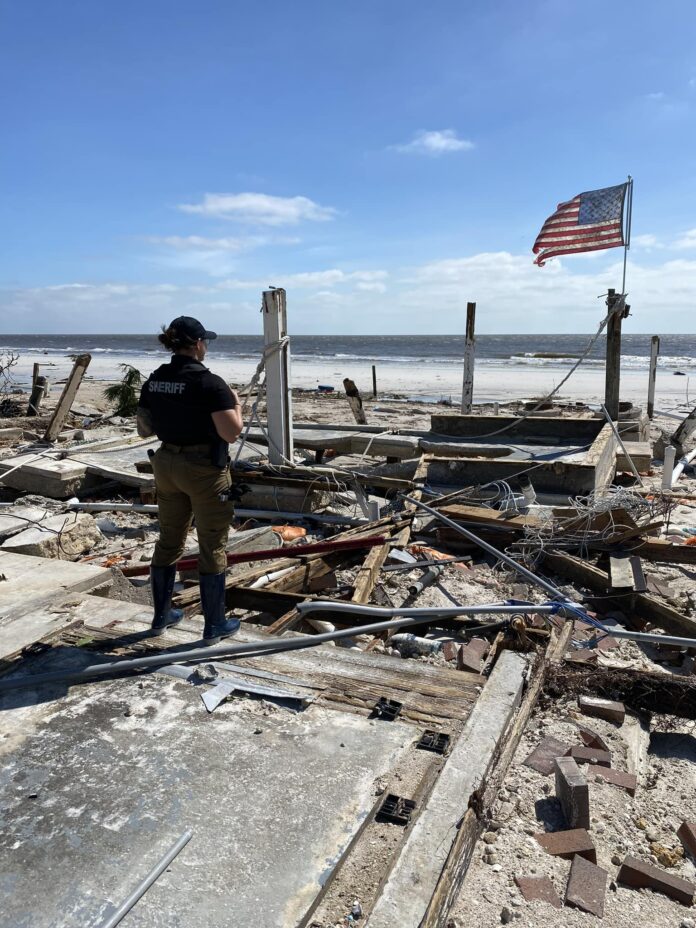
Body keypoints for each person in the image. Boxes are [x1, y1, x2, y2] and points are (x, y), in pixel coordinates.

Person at [136, 316, 244, 643]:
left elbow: (144, 429)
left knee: (169, 539)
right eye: (205, 342)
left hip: (166, 464)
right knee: (213, 543)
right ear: (198, 345)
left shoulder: (155, 379)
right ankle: (214, 625)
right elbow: (231, 431)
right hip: (203, 469)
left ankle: (160, 617)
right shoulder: (210, 383)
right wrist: (236, 403)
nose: (206, 347)